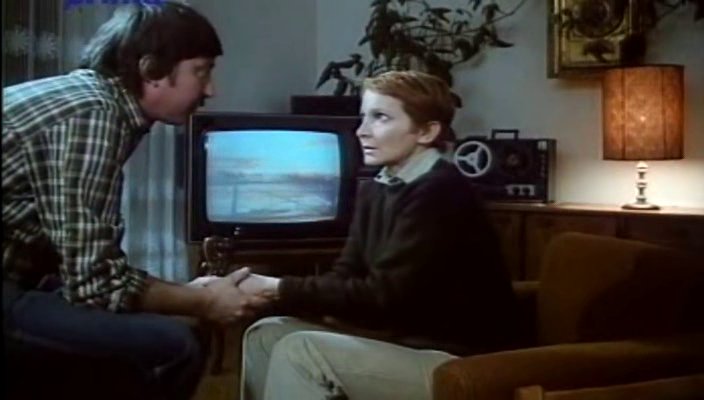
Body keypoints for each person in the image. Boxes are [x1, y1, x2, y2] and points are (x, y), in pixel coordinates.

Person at [2, 3, 262, 399]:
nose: (211, 90)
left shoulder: (96, 101)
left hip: (23, 277)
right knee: (174, 347)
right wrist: (203, 301)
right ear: (151, 70)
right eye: (201, 71)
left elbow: (84, 268)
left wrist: (192, 296)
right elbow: (94, 285)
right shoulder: (92, 114)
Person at [235, 70, 520, 400]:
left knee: (302, 350)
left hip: (457, 358)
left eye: (380, 117)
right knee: (266, 335)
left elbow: (385, 297)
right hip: (398, 342)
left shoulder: (442, 191)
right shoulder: (377, 188)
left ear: (426, 132)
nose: (361, 131)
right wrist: (271, 295)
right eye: (364, 116)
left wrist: (275, 287)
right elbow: (346, 274)